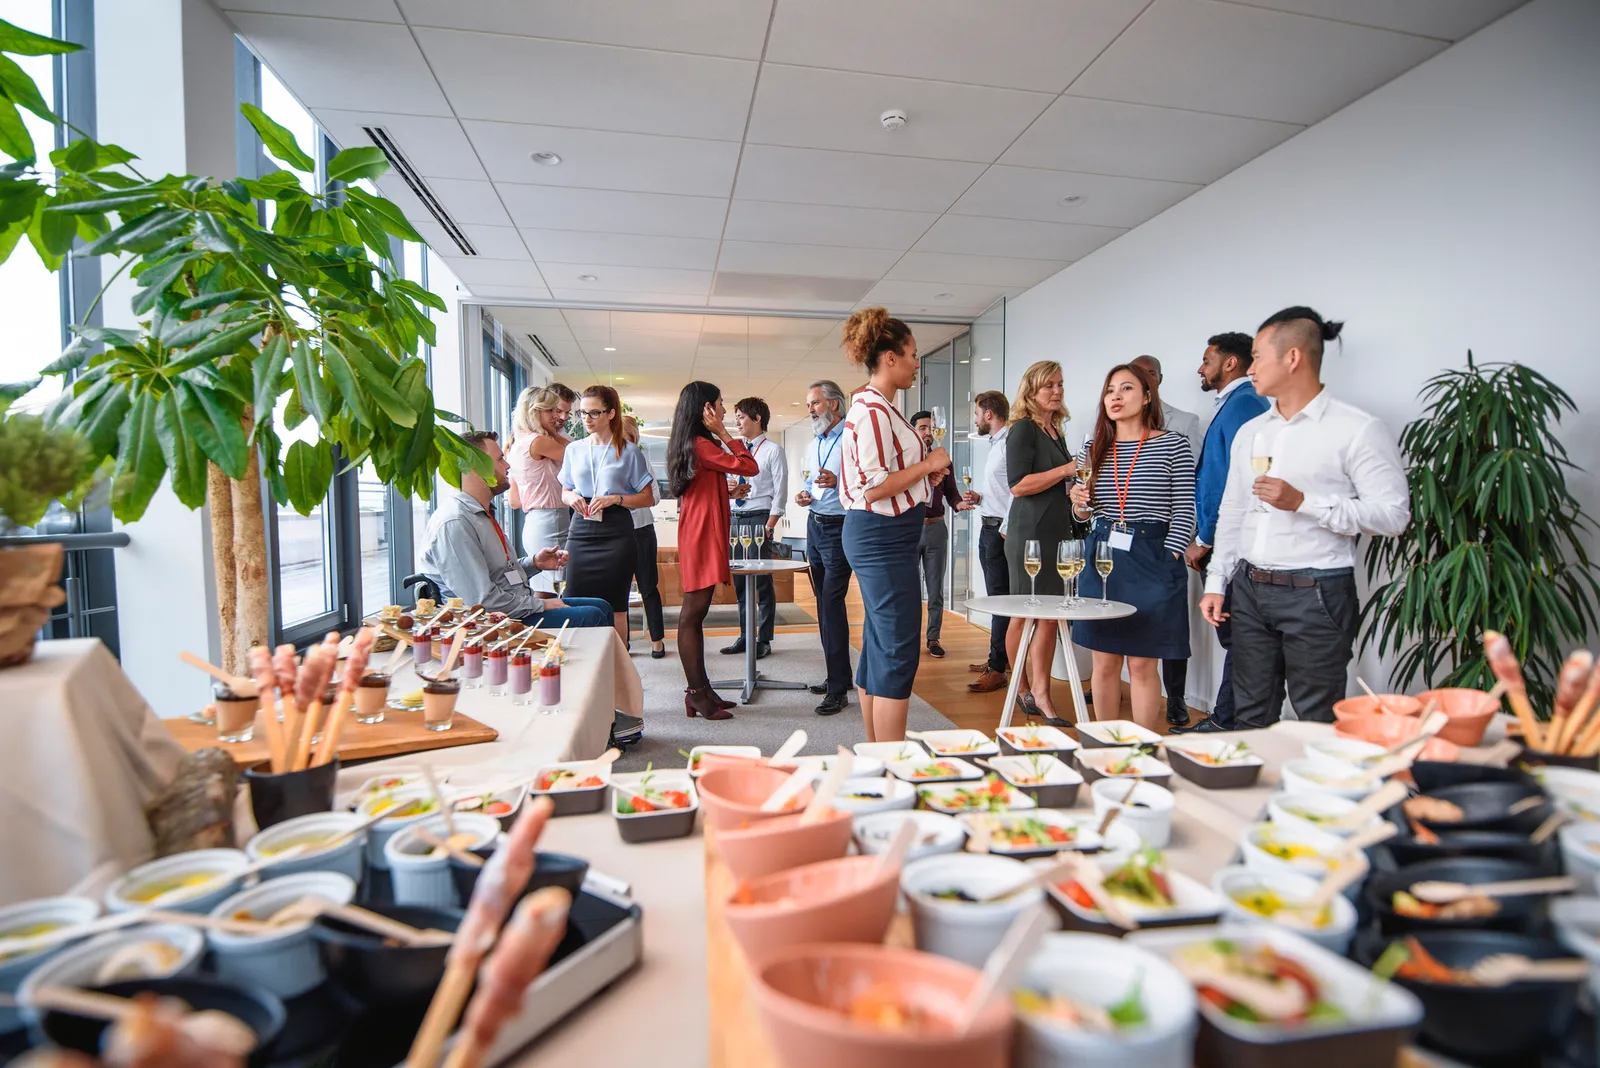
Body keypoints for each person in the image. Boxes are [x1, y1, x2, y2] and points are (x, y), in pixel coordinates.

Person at [1201, 307, 1409, 727]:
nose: (1250, 366)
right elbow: (1233, 511)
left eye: (1257, 356)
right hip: (1249, 589)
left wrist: (1304, 503)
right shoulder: (1253, 430)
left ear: (1292, 358)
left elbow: (1393, 516)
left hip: (1317, 593)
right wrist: (1217, 582)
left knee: (1316, 718)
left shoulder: (1357, 429)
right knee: (1250, 715)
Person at [839, 307, 949, 743]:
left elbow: (884, 477)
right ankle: (890, 759)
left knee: (883, 643)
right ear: (889, 358)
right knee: (900, 646)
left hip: (887, 535)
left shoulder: (879, 407)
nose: (916, 363)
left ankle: (877, 754)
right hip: (881, 535)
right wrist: (929, 463)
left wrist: (924, 473)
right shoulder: (872, 409)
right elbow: (873, 487)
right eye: (912, 354)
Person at [1069, 364, 1197, 732]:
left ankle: (1144, 747)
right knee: (1105, 661)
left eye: (1126, 389)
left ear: (1146, 397)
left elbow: (1185, 507)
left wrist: (1170, 553)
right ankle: (1103, 744)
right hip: (1105, 553)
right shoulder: (1093, 448)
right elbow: (1081, 514)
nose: (1116, 397)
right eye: (1110, 390)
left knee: (1143, 663)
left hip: (1153, 555)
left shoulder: (1173, 443)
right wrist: (1079, 503)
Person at [1171, 332, 1271, 734]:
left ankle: (1227, 722)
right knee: (1240, 637)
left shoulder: (1243, 405)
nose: (1200, 367)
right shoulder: (1237, 404)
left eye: (1206, 359)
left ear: (1230, 363)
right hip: (1231, 540)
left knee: (1241, 637)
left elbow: (1228, 482)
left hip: (1232, 541)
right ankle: (1226, 719)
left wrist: (1205, 539)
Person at [420, 431, 611, 628]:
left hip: (513, 608)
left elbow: (498, 574)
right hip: (492, 623)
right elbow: (480, 601)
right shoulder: (455, 522)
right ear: (475, 467)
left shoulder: (482, 513)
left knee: (602, 607)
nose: (508, 465)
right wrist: (539, 604)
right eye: (500, 459)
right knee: (593, 615)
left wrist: (535, 563)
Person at [668, 381, 759, 720]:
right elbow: (750, 465)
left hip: (701, 527)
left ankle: (703, 689)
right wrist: (723, 431)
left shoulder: (695, 444)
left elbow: (708, 484)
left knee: (696, 612)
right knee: (693, 613)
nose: (723, 411)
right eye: (719, 405)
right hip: (701, 532)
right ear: (705, 410)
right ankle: (696, 694)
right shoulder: (703, 443)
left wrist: (725, 492)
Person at [1004, 361, 1078, 725]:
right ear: (1031, 390)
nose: (1056, 391)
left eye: (1060, 384)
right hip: (1028, 533)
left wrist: (1076, 491)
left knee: (1049, 618)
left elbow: (1055, 485)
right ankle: (1020, 689)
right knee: (1024, 613)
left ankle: (1043, 693)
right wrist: (1067, 471)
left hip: (1057, 532)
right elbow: (1018, 485)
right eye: (1048, 385)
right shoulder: (1023, 430)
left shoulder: (1055, 431)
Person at [1130, 354, 1202, 727]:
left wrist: (1181, 543)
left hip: (1169, 539)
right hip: (1126, 545)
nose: (1140, 381)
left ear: (1157, 380)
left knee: (1171, 625)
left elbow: (1193, 486)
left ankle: (1175, 698)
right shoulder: (1110, 430)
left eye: (1146, 376)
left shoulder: (1186, 423)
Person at [559, 385, 655, 641]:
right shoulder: (574, 449)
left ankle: (617, 671)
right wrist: (573, 497)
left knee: (616, 606)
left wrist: (617, 498)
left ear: (611, 413)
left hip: (616, 531)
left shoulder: (629, 451)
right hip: (581, 528)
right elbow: (564, 491)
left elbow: (648, 497)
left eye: (594, 413)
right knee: (573, 600)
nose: (586, 419)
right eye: (582, 414)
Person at [795, 379, 852, 715]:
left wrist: (839, 482)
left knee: (831, 604)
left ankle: (838, 688)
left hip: (840, 529)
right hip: (814, 526)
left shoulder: (851, 438)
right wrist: (804, 493)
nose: (810, 410)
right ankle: (838, 677)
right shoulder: (816, 441)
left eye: (814, 403)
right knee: (823, 603)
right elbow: (811, 479)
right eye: (808, 405)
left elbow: (867, 480)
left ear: (833, 404)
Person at [722, 396, 787, 661]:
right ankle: (745, 635)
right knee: (740, 583)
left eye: (741, 416)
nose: (737, 421)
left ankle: (764, 638)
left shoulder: (773, 450)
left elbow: (780, 492)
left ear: (757, 418)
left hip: (760, 518)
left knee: (761, 583)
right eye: (735, 416)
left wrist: (769, 526)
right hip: (736, 518)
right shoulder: (735, 452)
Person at [909, 410, 971, 659]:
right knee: (910, 589)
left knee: (935, 590)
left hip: (936, 529)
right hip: (910, 529)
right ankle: (910, 638)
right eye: (923, 427)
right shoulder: (908, 461)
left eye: (931, 428)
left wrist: (959, 504)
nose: (928, 432)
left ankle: (933, 638)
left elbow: (952, 493)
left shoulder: (944, 460)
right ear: (913, 430)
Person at [964, 390, 1014, 693]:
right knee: (996, 598)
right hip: (988, 525)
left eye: (977, 413)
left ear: (989, 414)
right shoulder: (995, 443)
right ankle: (997, 659)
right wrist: (981, 498)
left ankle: (998, 668)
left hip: (1000, 532)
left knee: (1000, 600)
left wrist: (1006, 528)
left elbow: (1018, 492)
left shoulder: (1010, 444)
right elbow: (1001, 491)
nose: (975, 418)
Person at [506, 385, 572, 595]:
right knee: (556, 585)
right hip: (552, 518)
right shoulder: (539, 441)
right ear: (534, 412)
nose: (556, 416)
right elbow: (579, 459)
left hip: (534, 521)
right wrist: (554, 432)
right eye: (550, 411)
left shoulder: (517, 442)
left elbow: (514, 501)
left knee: (546, 585)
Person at [622, 416, 666, 659]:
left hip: (643, 530)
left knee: (649, 587)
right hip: (617, 533)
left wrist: (630, 500)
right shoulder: (608, 460)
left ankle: (657, 641)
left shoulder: (641, 458)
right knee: (620, 589)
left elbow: (655, 496)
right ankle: (623, 641)